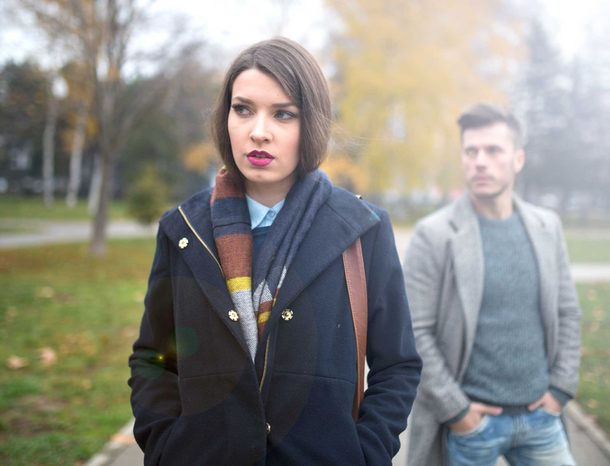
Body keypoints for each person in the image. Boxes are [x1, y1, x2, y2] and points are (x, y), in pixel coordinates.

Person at [128, 37, 421, 466]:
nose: (258, 131)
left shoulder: (362, 230)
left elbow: (397, 365)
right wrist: (166, 446)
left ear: (312, 124)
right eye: (243, 109)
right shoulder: (183, 230)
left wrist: (365, 453)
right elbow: (154, 359)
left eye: (283, 114)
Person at [404, 103, 581, 466]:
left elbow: (567, 312)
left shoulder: (547, 227)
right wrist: (458, 412)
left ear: (518, 159)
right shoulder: (433, 235)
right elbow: (415, 333)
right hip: (471, 426)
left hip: (541, 418)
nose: (480, 161)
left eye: (493, 150)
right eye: (471, 151)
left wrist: (560, 389)